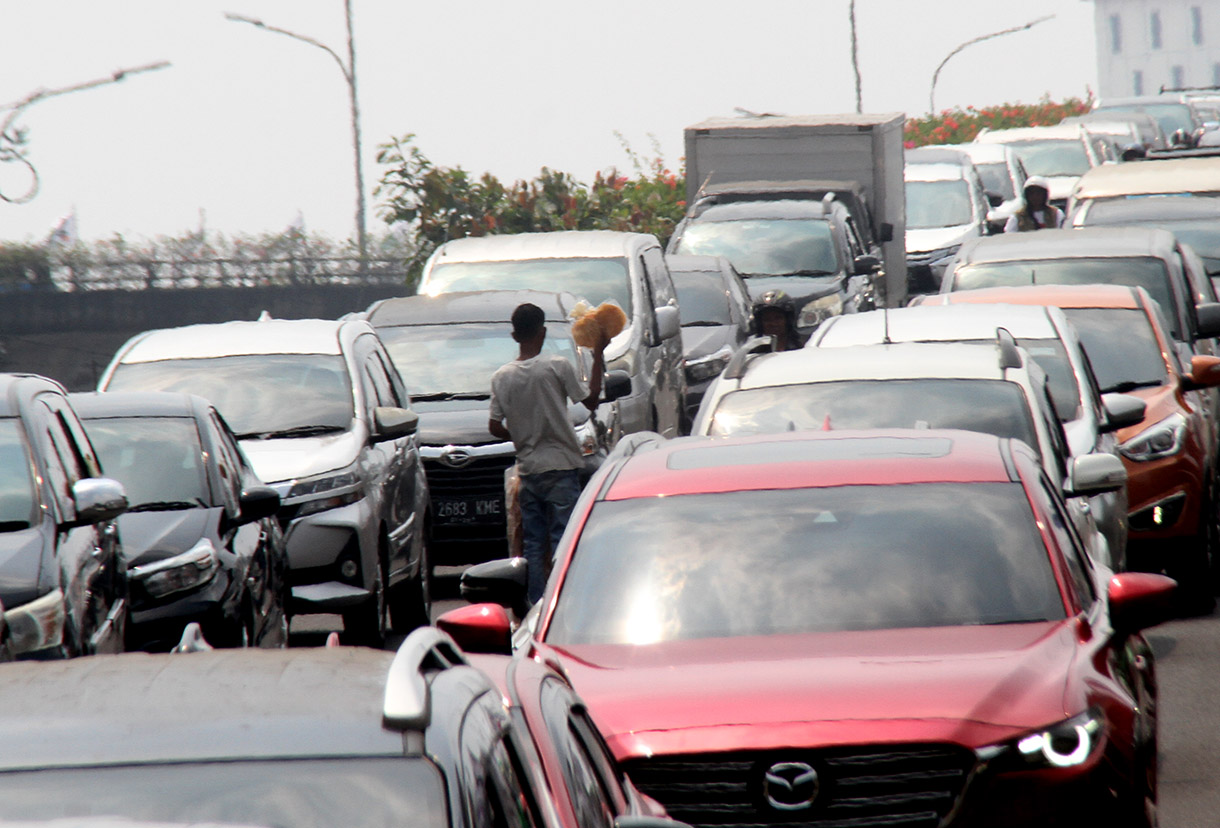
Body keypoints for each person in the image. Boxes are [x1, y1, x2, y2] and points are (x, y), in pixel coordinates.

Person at [488, 302, 605, 603]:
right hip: (562, 468)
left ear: (515, 336)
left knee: (533, 545)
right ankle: (565, 601)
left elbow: (494, 427)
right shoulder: (557, 366)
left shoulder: (502, 377)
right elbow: (590, 401)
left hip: (528, 472)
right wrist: (599, 353)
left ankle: (537, 605)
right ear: (542, 332)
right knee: (564, 539)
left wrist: (522, 435)